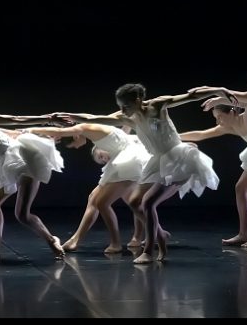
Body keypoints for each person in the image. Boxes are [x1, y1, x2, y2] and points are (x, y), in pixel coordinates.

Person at [57, 83, 229, 263]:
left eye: (126, 106)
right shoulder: (129, 118)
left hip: (176, 157)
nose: (123, 110)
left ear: (138, 100)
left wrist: (220, 91)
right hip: (157, 159)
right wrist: (70, 117)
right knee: (134, 201)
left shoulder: (156, 105)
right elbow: (94, 118)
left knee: (147, 202)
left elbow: (190, 96)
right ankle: (160, 235)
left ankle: (149, 250)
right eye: (121, 106)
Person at [0, 91, 65, 261]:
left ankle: (51, 240)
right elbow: (14, 132)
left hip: (23, 157)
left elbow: (16, 119)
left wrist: (49, 118)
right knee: (12, 210)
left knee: (15, 211)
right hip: (15, 159)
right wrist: (43, 134)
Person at [25, 123, 153, 253]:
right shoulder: (94, 131)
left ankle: (120, 241)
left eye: (73, 145)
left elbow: (59, 130)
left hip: (129, 160)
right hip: (123, 160)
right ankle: (77, 239)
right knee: (94, 198)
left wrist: (30, 129)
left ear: (75, 136)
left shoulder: (86, 128)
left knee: (103, 202)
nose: (76, 147)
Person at [179, 104, 247, 247]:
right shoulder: (229, 127)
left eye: (220, 116)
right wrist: (173, 138)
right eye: (216, 118)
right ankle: (244, 233)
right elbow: (201, 134)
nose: (218, 121)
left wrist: (221, 96)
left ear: (232, 112)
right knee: (240, 188)